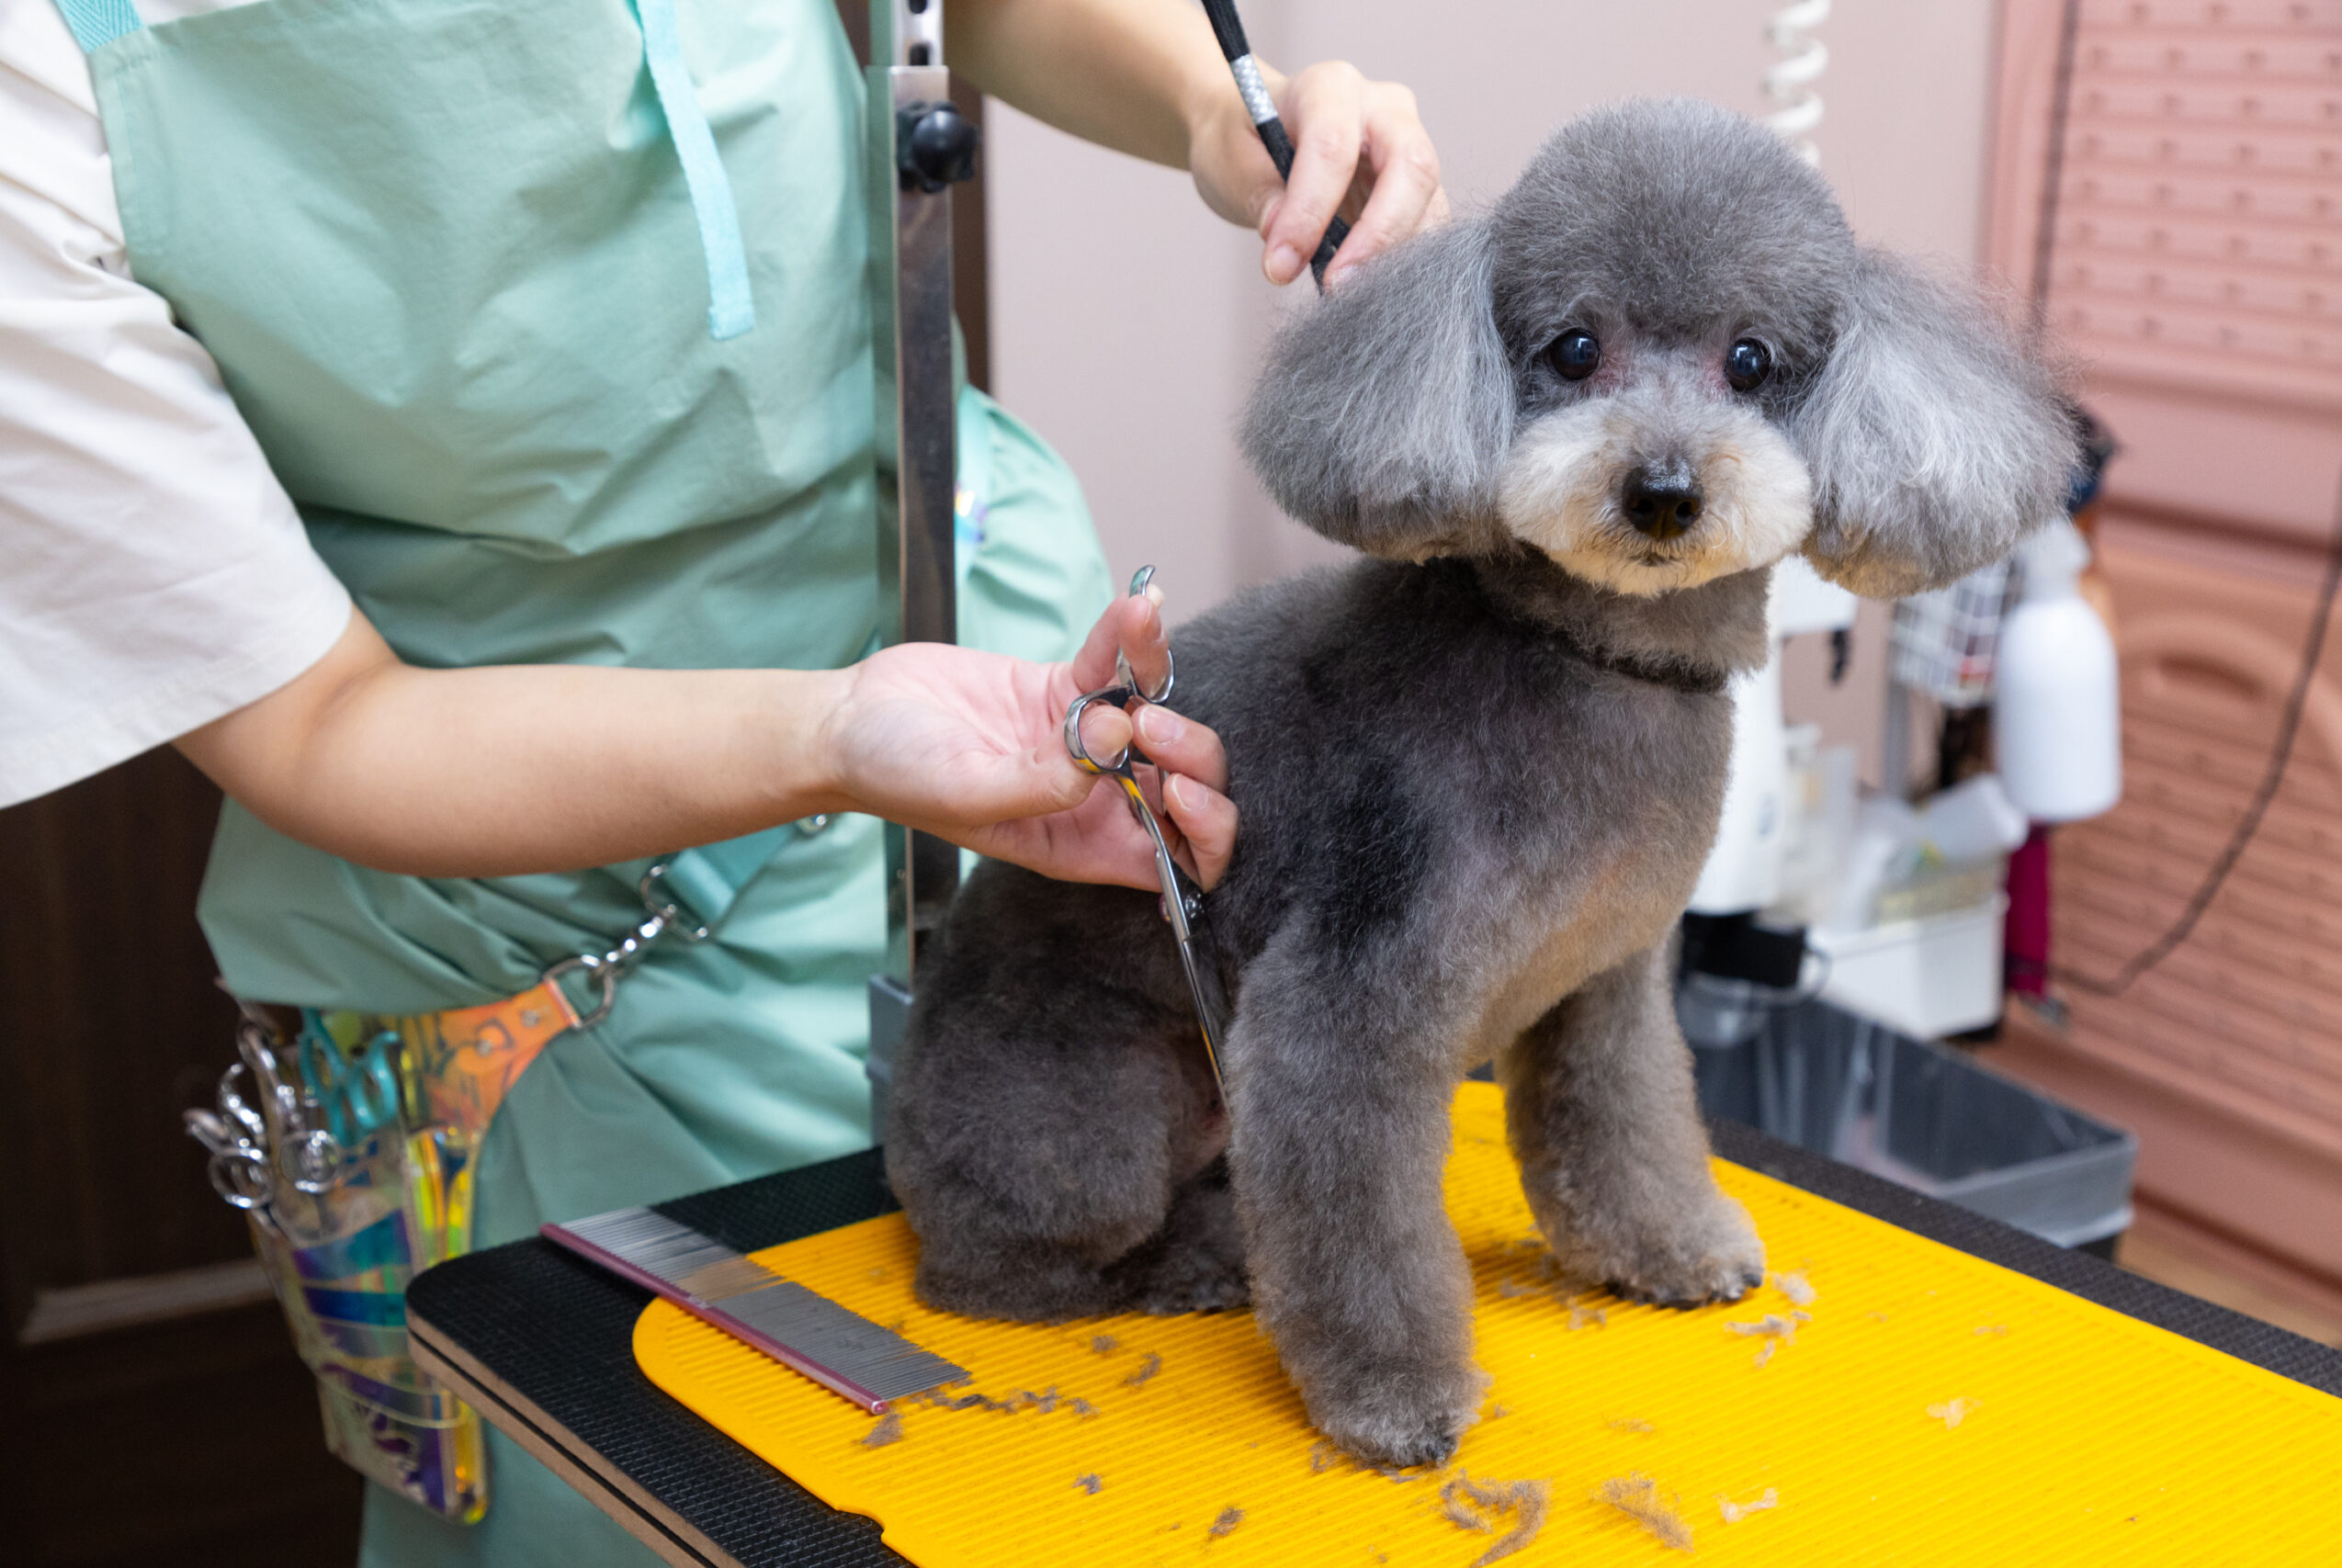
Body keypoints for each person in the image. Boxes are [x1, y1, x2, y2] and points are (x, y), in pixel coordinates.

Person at [1, 0, 1446, 1561]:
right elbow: (320, 722)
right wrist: (834, 737)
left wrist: (1206, 107)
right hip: (575, 955)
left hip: (1038, 771)